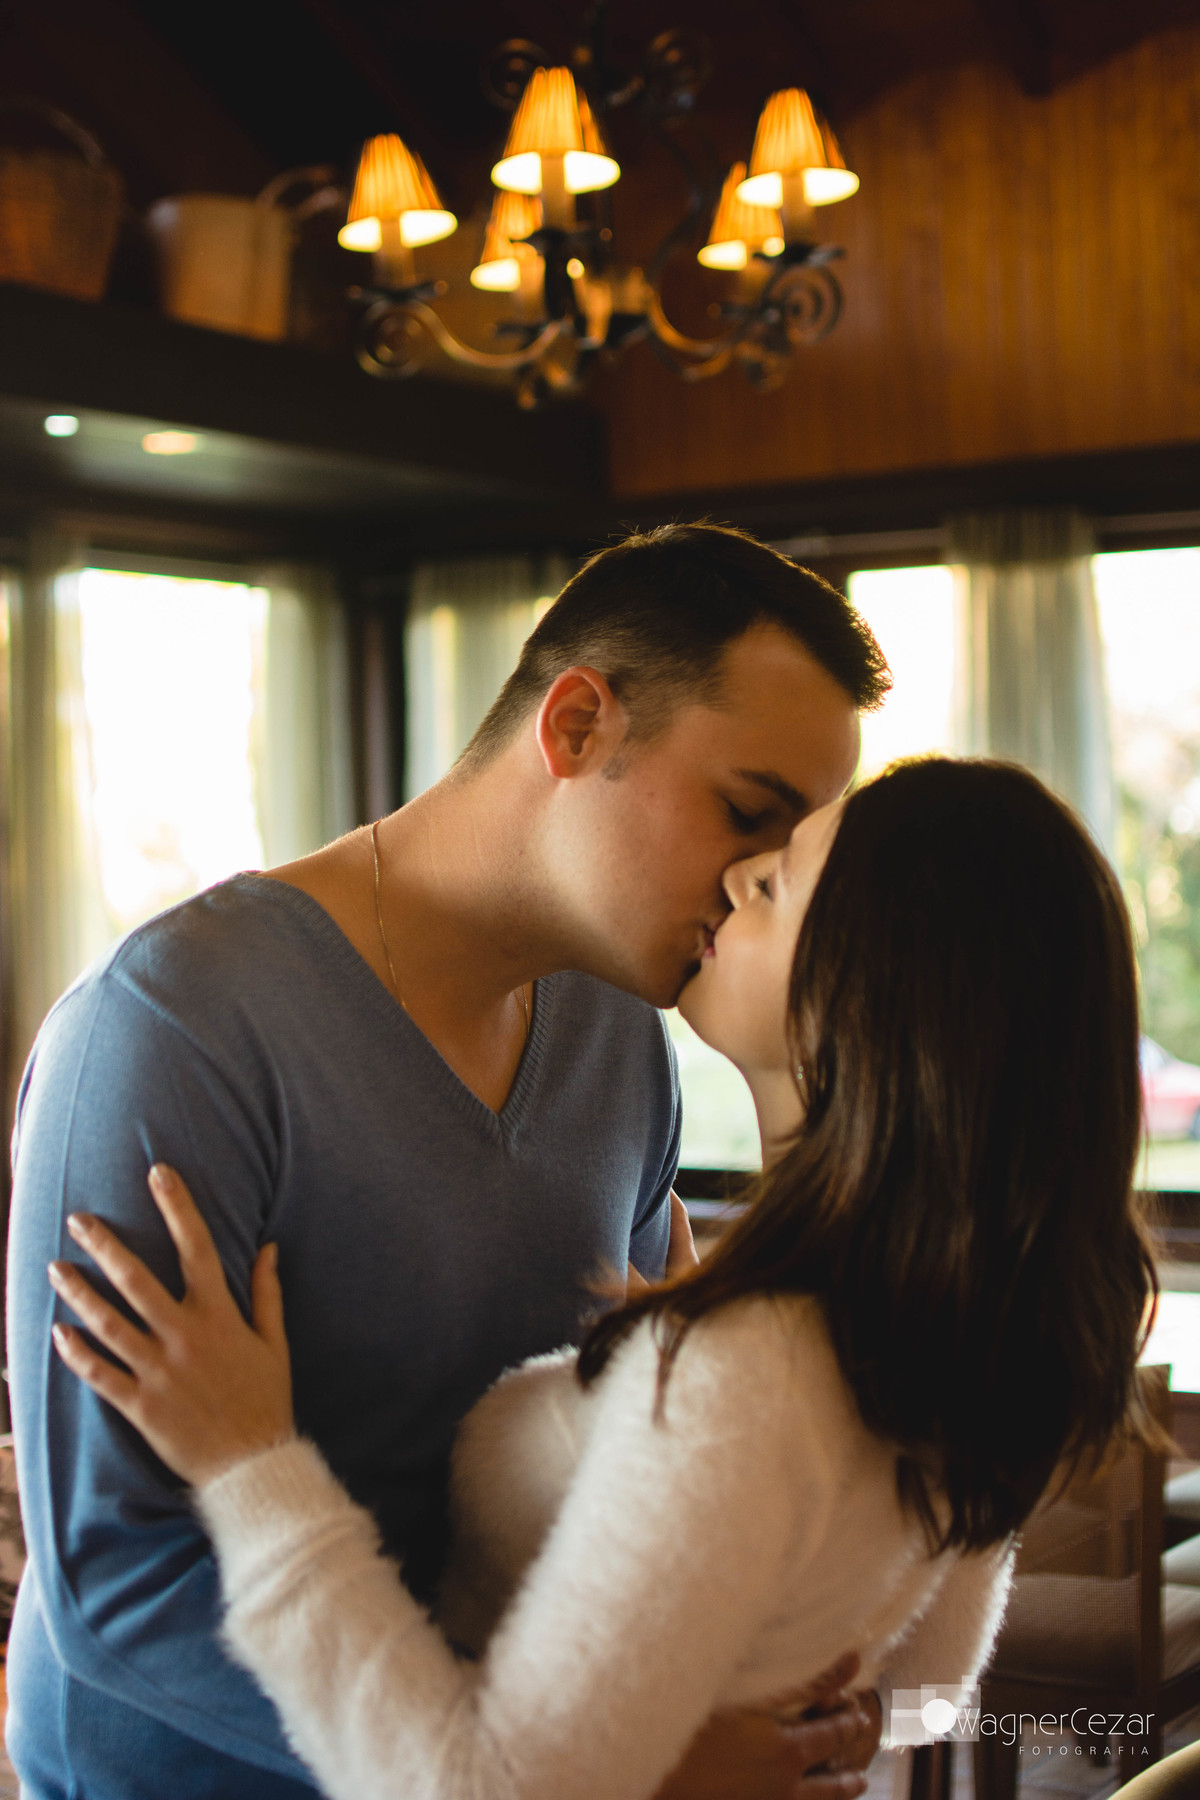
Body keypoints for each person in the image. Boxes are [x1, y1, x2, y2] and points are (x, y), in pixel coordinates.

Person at [49, 757, 1156, 1800]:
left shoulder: (750, 1373)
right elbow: (930, 1690)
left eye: (775, 880)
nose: (736, 877)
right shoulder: (948, 1347)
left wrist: (252, 1466)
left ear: (868, 997)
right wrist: (815, 1720)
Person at [6, 524, 890, 1800]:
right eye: (747, 814)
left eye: (789, 852)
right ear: (575, 725)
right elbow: (117, 1583)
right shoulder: (175, 1027)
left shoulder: (622, 1042)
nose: (757, 879)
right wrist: (572, 1765)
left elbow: (622, 1464)